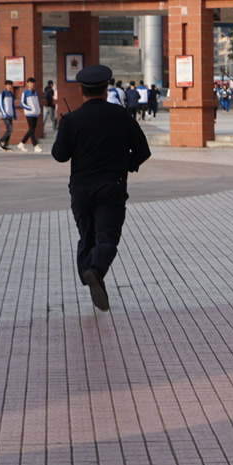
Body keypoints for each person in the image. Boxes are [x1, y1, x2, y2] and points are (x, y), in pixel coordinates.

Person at [52, 65, 152, 312]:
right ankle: (95, 271)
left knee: (87, 237)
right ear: (106, 90)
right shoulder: (121, 116)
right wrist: (125, 166)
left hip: (81, 190)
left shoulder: (71, 120)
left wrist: (65, 131)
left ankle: (90, 273)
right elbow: (143, 150)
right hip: (111, 187)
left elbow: (59, 155)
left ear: (81, 91)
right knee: (106, 237)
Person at [18, 77, 43, 152]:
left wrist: (38, 110)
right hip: (29, 114)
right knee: (32, 131)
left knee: (31, 130)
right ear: (27, 84)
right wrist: (29, 108)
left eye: (33, 82)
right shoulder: (25, 93)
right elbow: (22, 103)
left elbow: (38, 102)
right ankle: (35, 146)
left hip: (35, 114)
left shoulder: (35, 92)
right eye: (30, 82)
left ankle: (22, 143)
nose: (32, 84)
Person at [0, 80, 17, 151]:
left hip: (10, 115)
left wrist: (14, 114)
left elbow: (12, 105)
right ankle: (0, 141)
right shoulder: (2, 93)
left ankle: (6, 145)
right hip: (4, 115)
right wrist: (4, 113)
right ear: (5, 86)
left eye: (11, 85)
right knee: (10, 129)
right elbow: (0, 104)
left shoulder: (11, 94)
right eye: (8, 85)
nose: (10, 86)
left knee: (9, 130)